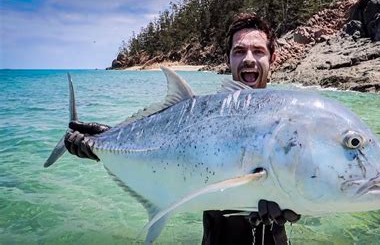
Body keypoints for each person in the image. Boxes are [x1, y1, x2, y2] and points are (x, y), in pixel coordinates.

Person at [64, 13, 300, 245]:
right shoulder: (207, 116)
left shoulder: (292, 124)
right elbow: (165, 152)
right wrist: (106, 142)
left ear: (273, 58)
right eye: (239, 51)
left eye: (258, 51)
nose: (248, 58)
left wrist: (296, 204)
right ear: (228, 59)